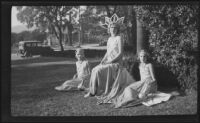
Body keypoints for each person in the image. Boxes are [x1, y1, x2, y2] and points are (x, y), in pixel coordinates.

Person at [84, 14, 136, 101]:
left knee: (98, 70)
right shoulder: (109, 39)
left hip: (116, 63)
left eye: (115, 28)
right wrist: (103, 60)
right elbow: (107, 52)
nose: (113, 29)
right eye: (112, 27)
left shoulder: (119, 38)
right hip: (108, 61)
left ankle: (100, 90)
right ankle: (93, 91)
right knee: (94, 69)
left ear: (117, 29)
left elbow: (120, 53)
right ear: (109, 29)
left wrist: (110, 61)